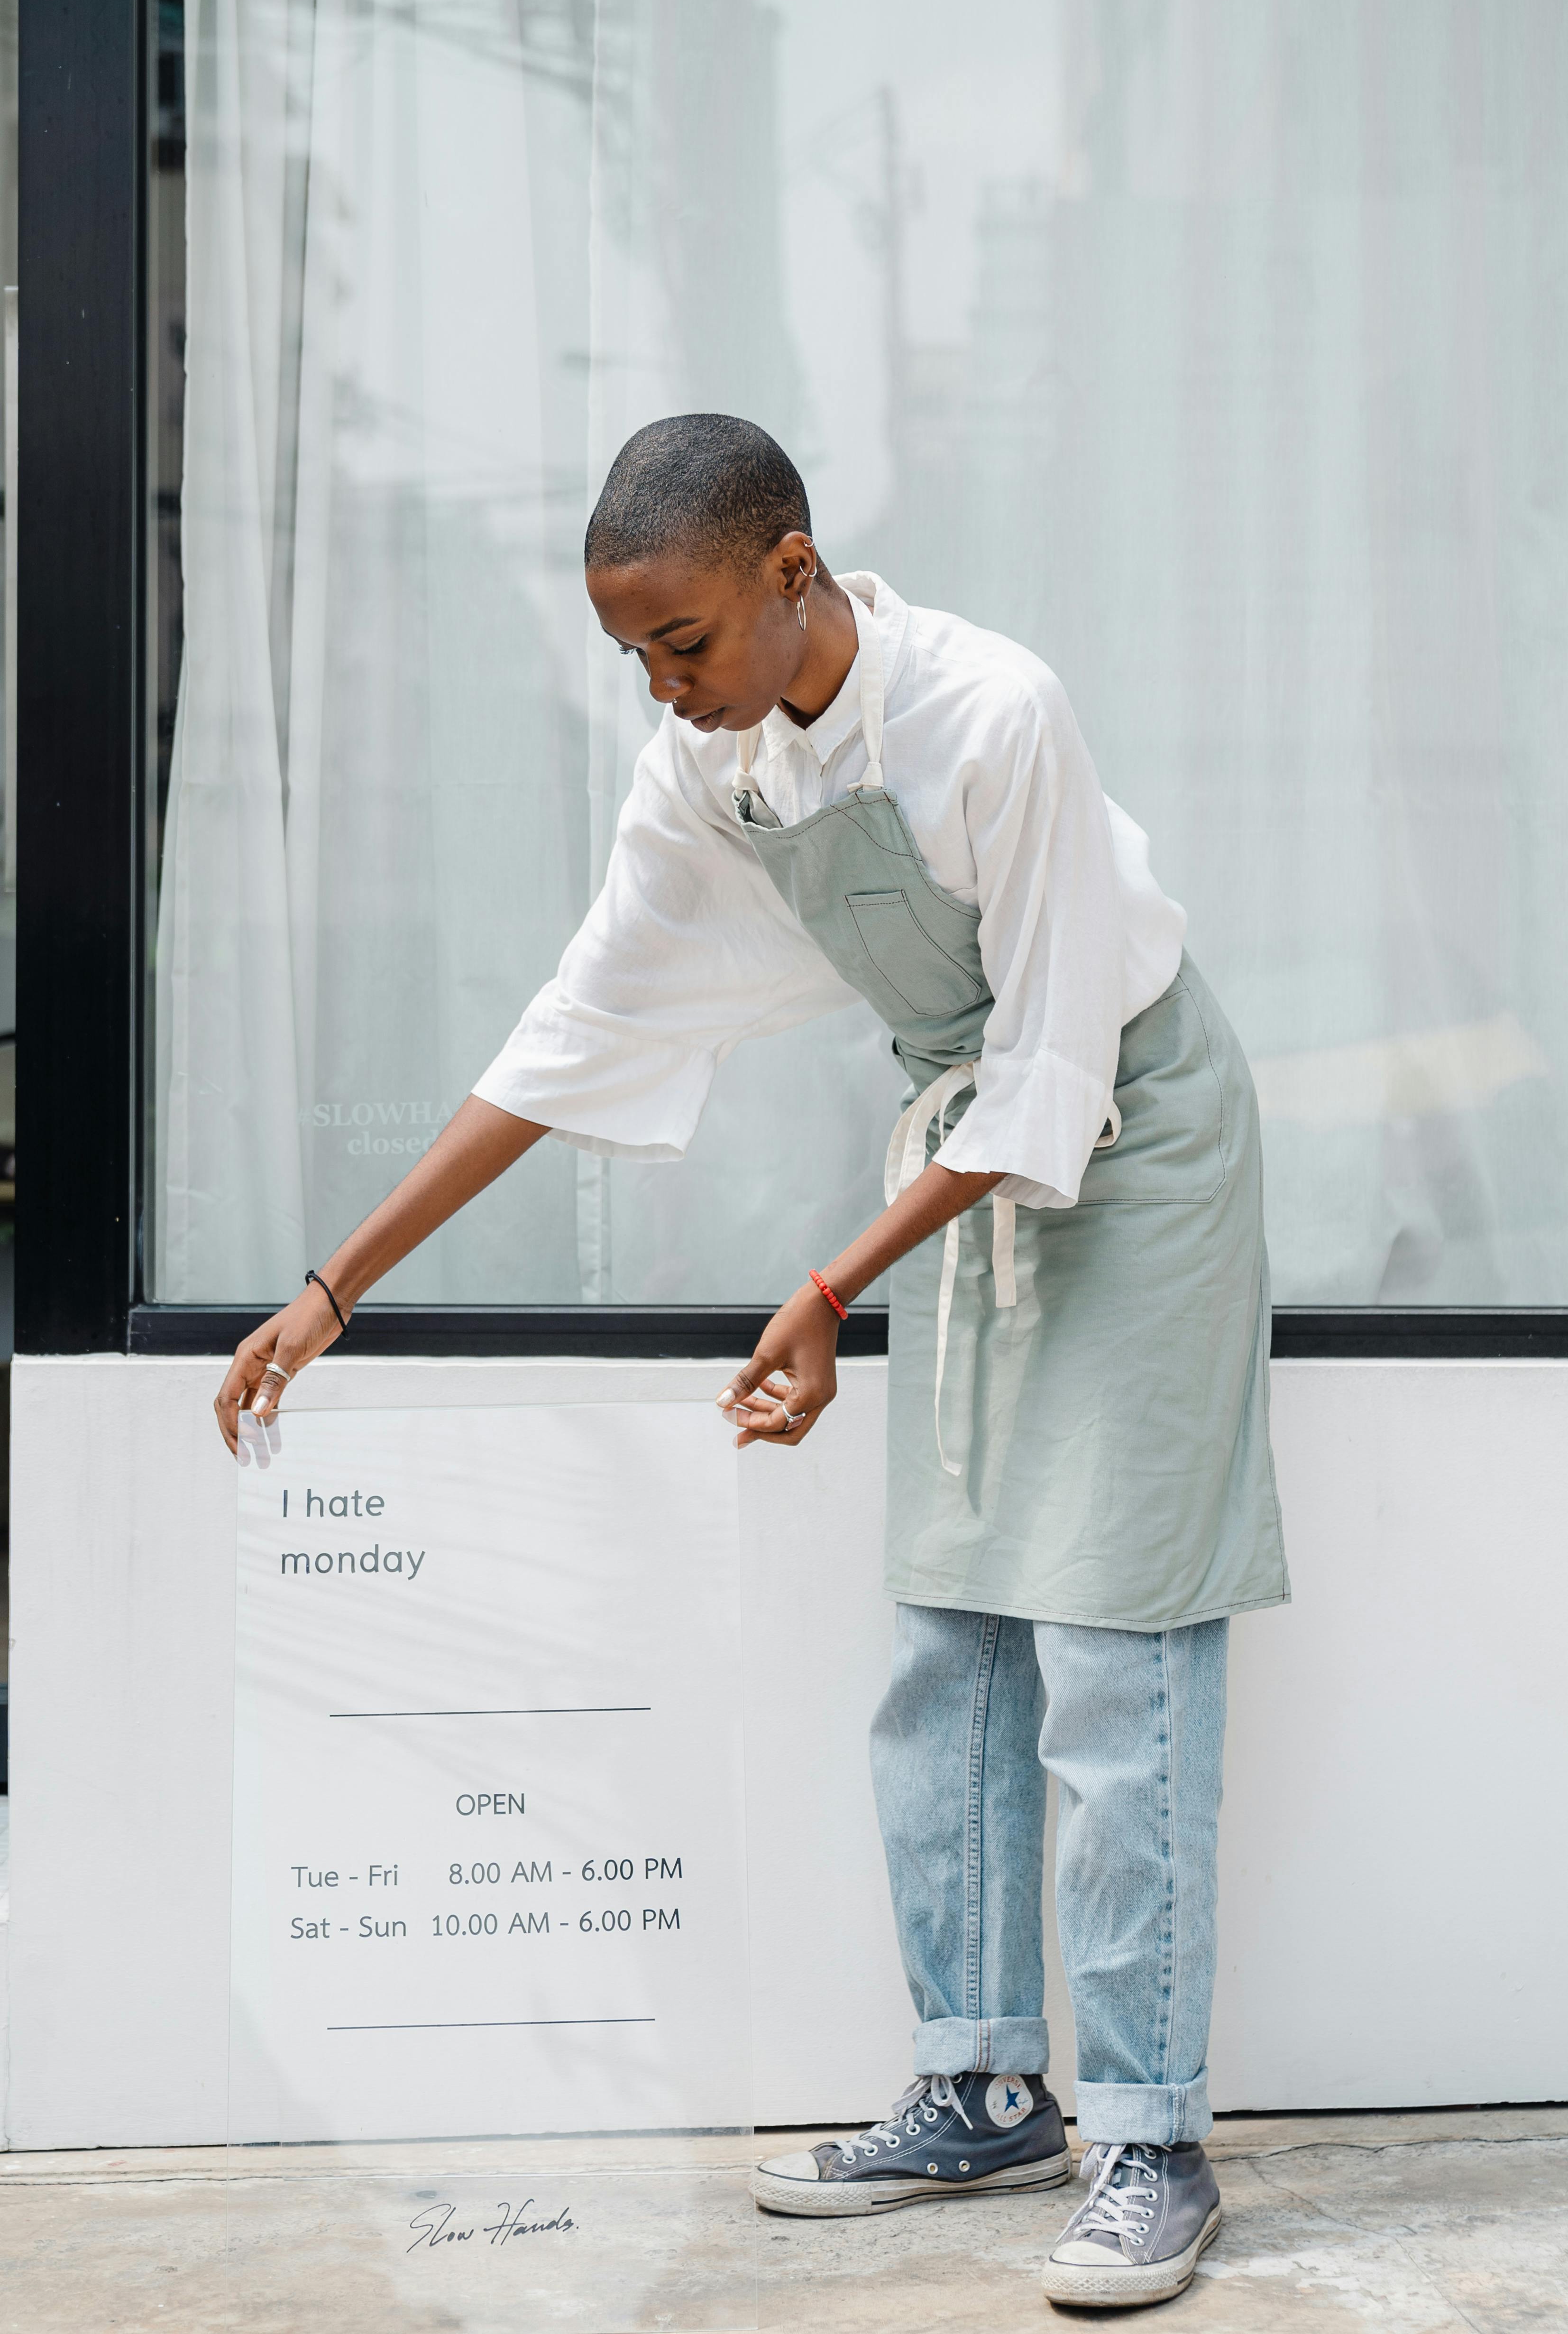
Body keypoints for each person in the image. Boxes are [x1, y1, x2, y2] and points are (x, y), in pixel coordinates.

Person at [215, 414, 1289, 2313]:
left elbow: (1056, 1065)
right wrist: (334, 1286)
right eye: (632, 652)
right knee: (950, 1635)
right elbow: (573, 1028)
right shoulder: (710, 771)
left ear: (792, 570)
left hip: (1136, 1136)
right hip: (967, 1162)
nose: (662, 683)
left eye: (684, 639)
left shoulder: (996, 711)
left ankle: (1153, 2137)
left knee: (1116, 1649)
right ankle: (981, 2086)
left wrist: (825, 1287)